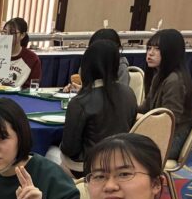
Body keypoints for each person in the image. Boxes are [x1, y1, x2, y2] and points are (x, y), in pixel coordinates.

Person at [58, 39, 137, 171]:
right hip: (121, 161)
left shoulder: (80, 102)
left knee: (48, 154)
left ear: (86, 65)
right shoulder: (129, 93)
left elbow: (70, 149)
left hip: (87, 167)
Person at [140, 28, 192, 160]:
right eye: (149, 48)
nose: (150, 53)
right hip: (161, 134)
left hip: (170, 142)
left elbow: (169, 120)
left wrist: (139, 118)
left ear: (171, 52)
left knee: (120, 144)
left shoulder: (174, 80)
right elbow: (146, 107)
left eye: (157, 49)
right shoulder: (160, 75)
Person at [64, 28, 130, 91]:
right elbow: (84, 88)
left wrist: (84, 92)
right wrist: (74, 89)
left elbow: (119, 95)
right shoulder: (86, 66)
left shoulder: (121, 68)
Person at [0, 17, 41, 89]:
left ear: (22, 35)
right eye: (4, 32)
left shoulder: (32, 58)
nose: (7, 36)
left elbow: (32, 87)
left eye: (12, 33)